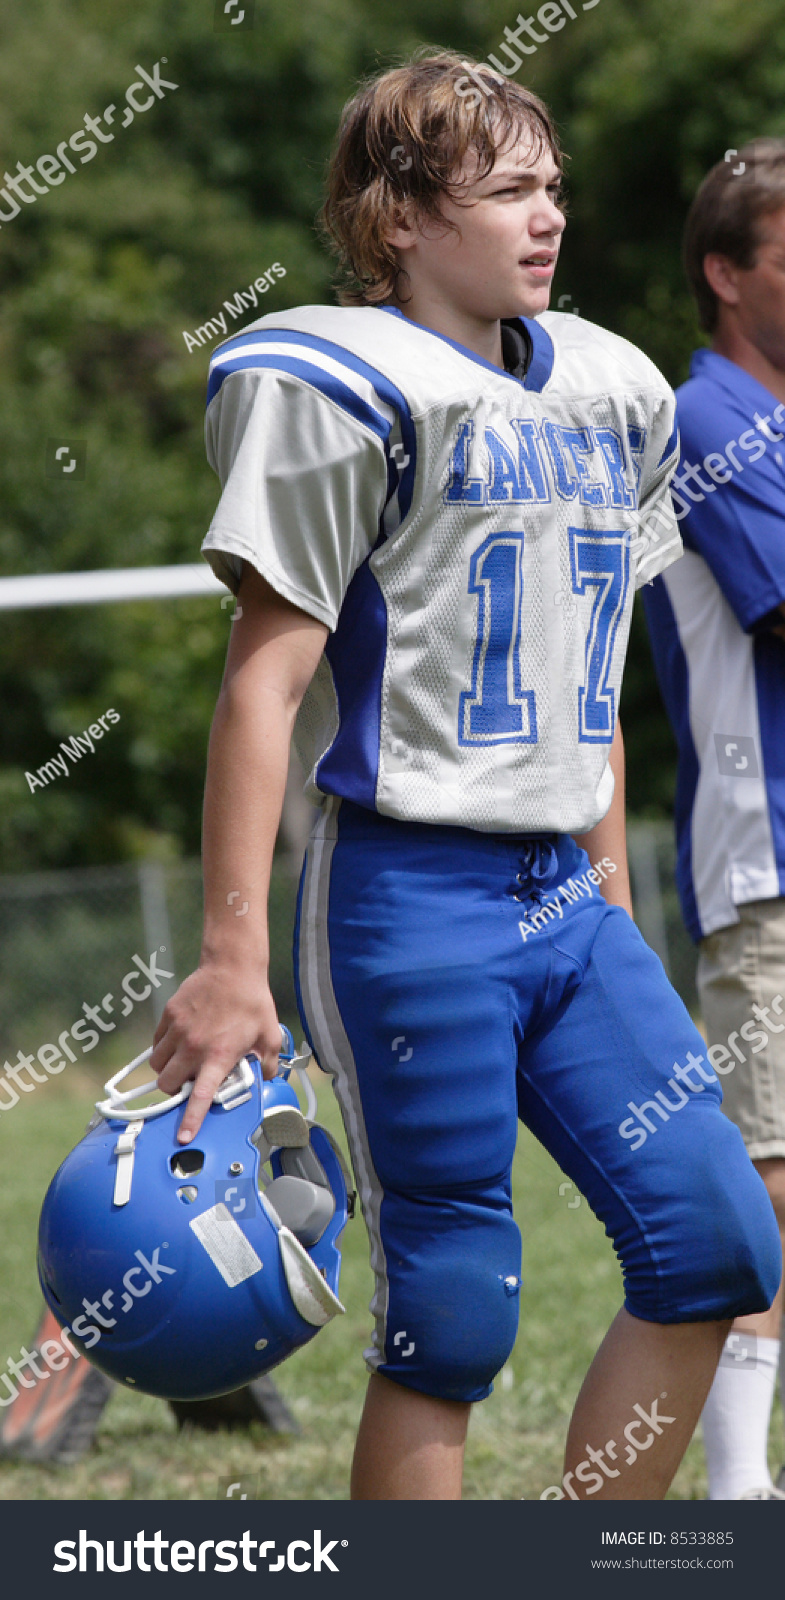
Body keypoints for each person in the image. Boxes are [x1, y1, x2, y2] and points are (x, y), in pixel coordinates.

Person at [149, 53, 780, 1500]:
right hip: (404, 893)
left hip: (562, 890)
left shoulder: (615, 386)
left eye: (550, 185)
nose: (546, 216)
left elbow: (599, 683)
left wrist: (612, 897)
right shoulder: (334, 379)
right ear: (398, 221)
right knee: (451, 1310)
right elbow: (265, 681)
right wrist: (230, 959)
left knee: (715, 1243)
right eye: (506, 191)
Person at [643, 139, 785, 1501]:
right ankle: (739, 1500)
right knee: (768, 1189)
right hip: (770, 858)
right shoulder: (709, 422)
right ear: (725, 274)